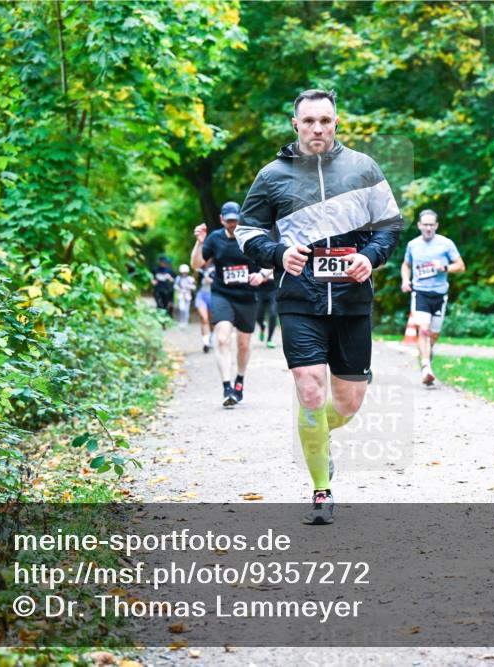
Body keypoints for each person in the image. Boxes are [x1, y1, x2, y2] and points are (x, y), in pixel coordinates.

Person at [237, 89, 403, 524]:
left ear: (336, 122)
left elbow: (390, 224)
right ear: (295, 124)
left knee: (347, 404)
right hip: (299, 299)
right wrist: (276, 255)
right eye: (309, 121)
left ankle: (318, 439)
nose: (317, 128)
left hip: (351, 298)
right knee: (310, 391)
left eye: (325, 121)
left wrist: (371, 257)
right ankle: (321, 491)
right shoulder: (272, 174)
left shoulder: (363, 168)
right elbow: (248, 231)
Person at [191, 201, 265, 407]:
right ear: (222, 219)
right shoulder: (214, 239)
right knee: (222, 339)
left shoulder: (250, 237)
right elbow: (196, 264)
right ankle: (227, 387)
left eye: (235, 220)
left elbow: (269, 262)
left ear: (240, 219)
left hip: (247, 296)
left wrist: (261, 275)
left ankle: (239, 380)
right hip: (222, 294)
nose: (232, 224)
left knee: (243, 344)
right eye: (229, 220)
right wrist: (199, 243)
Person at [401, 209, 465, 385]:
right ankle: (426, 367)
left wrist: (444, 267)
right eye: (425, 224)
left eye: (431, 225)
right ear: (419, 225)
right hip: (420, 293)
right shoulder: (413, 245)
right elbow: (406, 265)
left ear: (436, 226)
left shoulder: (446, 244)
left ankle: (426, 353)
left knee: (433, 335)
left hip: (439, 294)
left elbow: (461, 266)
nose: (428, 228)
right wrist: (406, 281)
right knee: (423, 330)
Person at [255, 267, 279, 348]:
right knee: (258, 315)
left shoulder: (275, 255)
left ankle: (269, 339)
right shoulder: (258, 257)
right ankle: (262, 326)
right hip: (260, 290)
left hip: (273, 290)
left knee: (273, 313)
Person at [194, 264, 214, 353]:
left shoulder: (216, 266)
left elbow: (222, 281)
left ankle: (211, 339)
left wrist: (212, 281)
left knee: (212, 320)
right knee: (204, 319)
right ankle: (206, 343)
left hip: (213, 296)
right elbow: (194, 282)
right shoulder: (199, 269)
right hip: (201, 295)